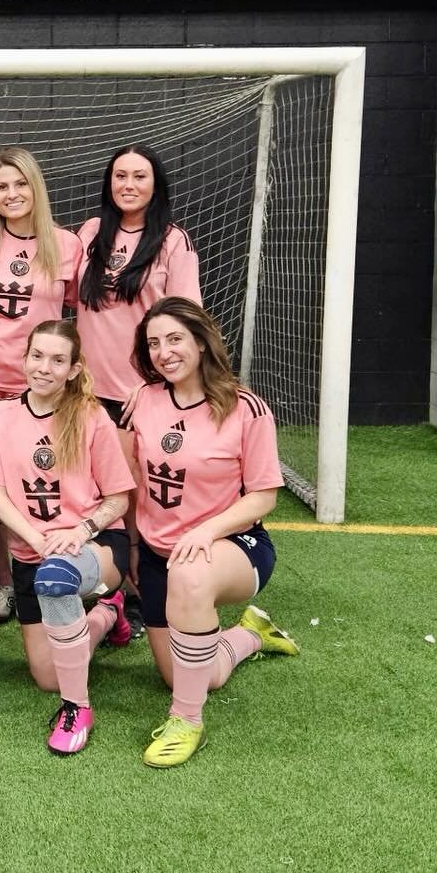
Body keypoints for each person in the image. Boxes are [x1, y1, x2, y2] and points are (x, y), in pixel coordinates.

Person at [115, 296, 299, 769]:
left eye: (174, 339)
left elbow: (263, 496)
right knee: (189, 673)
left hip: (234, 545)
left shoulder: (245, 408)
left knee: (191, 576)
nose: (163, 351)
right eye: (153, 343)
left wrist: (206, 530)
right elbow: (129, 480)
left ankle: (186, 721)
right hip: (159, 554)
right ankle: (250, 635)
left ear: (200, 341)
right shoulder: (143, 401)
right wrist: (133, 544)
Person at [0, 321, 135, 756]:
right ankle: (108, 615)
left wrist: (80, 530)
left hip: (96, 545)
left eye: (56, 360)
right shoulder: (2, 415)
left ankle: (78, 709)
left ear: (72, 369)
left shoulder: (90, 416)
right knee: (47, 676)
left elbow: (120, 499)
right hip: (32, 552)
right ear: (25, 358)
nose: (44, 367)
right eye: (37, 356)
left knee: (56, 577)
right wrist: (36, 537)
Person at [0, 146, 84, 625]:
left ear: (36, 187)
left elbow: (71, 308)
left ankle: (52, 566)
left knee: (43, 478)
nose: (11, 194)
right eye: (1, 186)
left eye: (20, 184)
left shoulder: (66, 245)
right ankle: (3, 584)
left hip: (40, 382)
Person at [74, 143, 201, 420]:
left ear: (156, 185)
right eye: (120, 176)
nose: (128, 185)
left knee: (129, 466)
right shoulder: (91, 231)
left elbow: (188, 323)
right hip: (83, 390)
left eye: (139, 176)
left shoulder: (174, 241)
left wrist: (154, 381)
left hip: (139, 394)